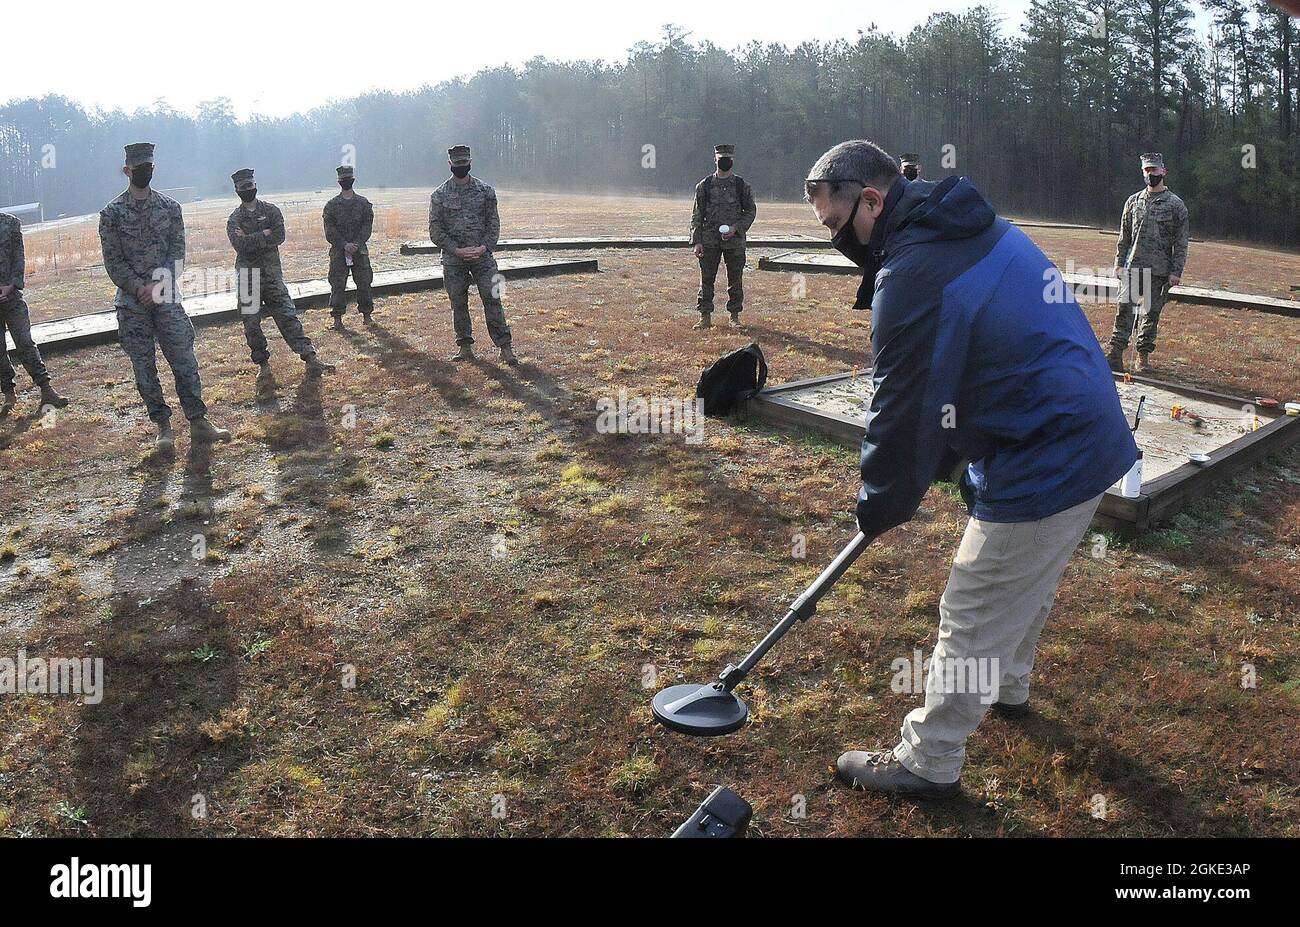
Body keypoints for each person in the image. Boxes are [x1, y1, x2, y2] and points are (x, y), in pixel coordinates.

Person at [803, 139, 1137, 798]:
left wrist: (881, 498)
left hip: (1051, 444)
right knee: (1027, 578)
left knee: (976, 599)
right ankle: (1009, 684)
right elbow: (960, 368)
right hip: (1080, 428)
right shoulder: (955, 221)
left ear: (872, 199)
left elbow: (903, 407)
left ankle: (929, 758)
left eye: (837, 228)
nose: (838, 243)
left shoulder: (917, 270)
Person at [98, 142, 230, 450]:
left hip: (167, 297)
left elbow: (177, 253)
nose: (145, 172)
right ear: (127, 170)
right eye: (139, 168)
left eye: (149, 167)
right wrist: (138, 288)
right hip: (133, 304)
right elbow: (113, 261)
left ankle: (199, 422)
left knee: (184, 359)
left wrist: (159, 286)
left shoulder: (170, 209)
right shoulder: (112, 214)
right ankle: (163, 428)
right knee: (144, 368)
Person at [226, 168, 332, 387]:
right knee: (251, 324)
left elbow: (279, 236)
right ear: (237, 190)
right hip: (248, 279)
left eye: (250, 185)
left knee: (288, 316)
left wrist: (253, 237)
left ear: (256, 184)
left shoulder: (272, 211)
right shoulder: (234, 219)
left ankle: (310, 358)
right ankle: (263, 366)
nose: (248, 189)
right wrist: (263, 234)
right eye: (243, 187)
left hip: (272, 275)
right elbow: (240, 245)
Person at [427, 145, 516, 365]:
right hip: (453, 259)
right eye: (457, 164)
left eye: (464, 163)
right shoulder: (439, 195)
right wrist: (456, 250)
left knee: (493, 299)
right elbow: (435, 230)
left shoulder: (486, 192)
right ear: (450, 165)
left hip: (483, 257)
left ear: (470, 162)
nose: (461, 167)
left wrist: (484, 247)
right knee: (458, 302)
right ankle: (465, 346)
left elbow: (493, 224)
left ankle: (505, 347)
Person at [1107, 152, 1189, 374]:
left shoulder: (1175, 205)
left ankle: (1142, 359)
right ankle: (1115, 355)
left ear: (1164, 171)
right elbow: (1124, 237)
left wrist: (1176, 272)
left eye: (1154, 169)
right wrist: (1118, 263)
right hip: (1132, 268)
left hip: (1159, 271)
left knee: (1151, 315)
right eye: (1147, 170)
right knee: (1124, 311)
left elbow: (1181, 242)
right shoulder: (1133, 202)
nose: (1150, 173)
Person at [0, 211, 69, 415]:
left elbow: (19, 258)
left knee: (25, 343)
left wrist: (11, 286)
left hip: (11, 297)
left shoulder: (10, 223)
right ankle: (8, 394)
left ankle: (47, 390)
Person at [689, 144, 756, 329]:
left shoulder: (742, 186)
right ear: (715, 160)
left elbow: (750, 211)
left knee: (735, 279)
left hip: (734, 241)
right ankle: (705, 318)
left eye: (727, 159)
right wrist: (697, 242)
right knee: (706, 279)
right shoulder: (704, 186)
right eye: (721, 159)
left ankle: (734, 317)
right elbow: (696, 215)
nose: (724, 162)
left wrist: (736, 228)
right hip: (709, 241)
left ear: (732, 161)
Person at [323, 165, 376, 328]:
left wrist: (357, 244)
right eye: (343, 178)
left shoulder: (363, 203)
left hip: (359, 251)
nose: (346, 180)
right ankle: (337, 319)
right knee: (337, 285)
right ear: (339, 181)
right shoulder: (331, 206)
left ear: (353, 180)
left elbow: (367, 227)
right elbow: (329, 231)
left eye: (348, 177)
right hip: (339, 252)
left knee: (364, 283)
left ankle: (367, 316)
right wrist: (344, 245)